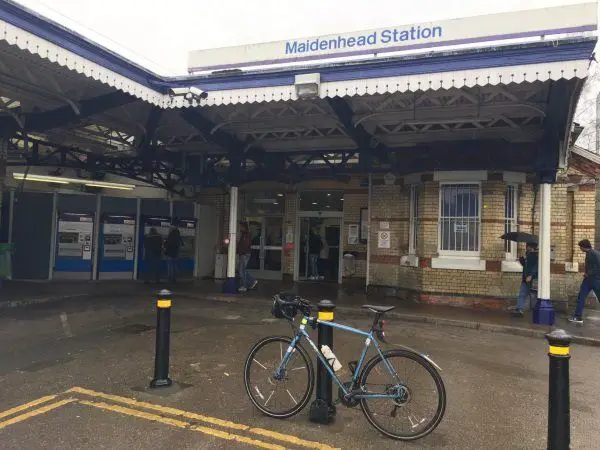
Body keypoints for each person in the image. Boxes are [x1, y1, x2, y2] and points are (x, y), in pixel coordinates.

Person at [569, 239, 600, 325]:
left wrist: (588, 273)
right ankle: (578, 316)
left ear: (584, 246)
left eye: (580, 247)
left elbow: (598, 267)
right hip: (588, 280)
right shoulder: (589, 253)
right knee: (581, 297)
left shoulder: (594, 253)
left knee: (582, 297)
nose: (580, 249)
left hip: (595, 280)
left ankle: (577, 316)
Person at [510, 242, 538, 316]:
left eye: (527, 246)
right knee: (522, 294)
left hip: (531, 279)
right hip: (525, 278)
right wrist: (521, 259)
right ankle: (519, 309)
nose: (526, 247)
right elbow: (526, 266)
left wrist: (531, 276)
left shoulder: (536, 256)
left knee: (533, 295)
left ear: (531, 247)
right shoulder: (528, 255)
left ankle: (534, 310)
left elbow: (536, 267)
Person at [237, 222, 257, 292]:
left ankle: (244, 286)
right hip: (243, 254)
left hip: (244, 254)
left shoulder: (246, 235)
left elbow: (246, 244)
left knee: (242, 271)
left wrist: (241, 252)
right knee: (242, 271)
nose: (239, 228)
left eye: (240, 227)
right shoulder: (244, 234)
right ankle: (252, 280)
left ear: (244, 227)